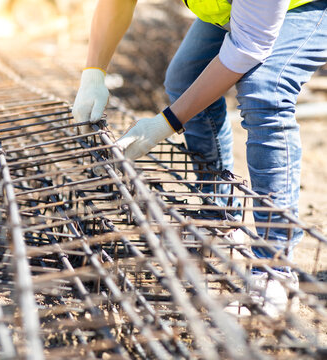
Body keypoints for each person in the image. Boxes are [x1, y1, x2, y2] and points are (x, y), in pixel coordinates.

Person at [72, 0, 327, 316]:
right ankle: (220, 222)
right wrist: (94, 71)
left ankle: (275, 268)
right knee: (184, 78)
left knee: (266, 90)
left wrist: (166, 123)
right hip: (237, 9)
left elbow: (249, 48)